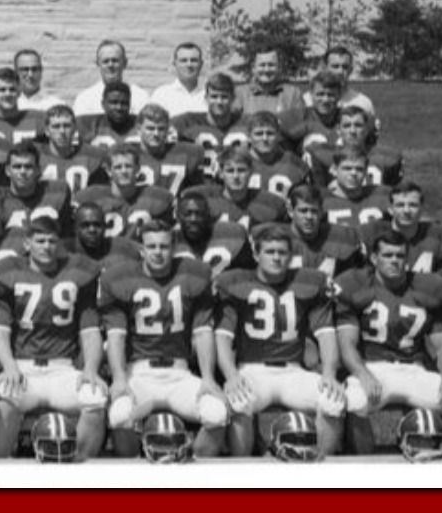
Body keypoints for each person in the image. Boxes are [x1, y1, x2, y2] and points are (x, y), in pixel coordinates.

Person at [334, 233, 442, 455]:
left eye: (400, 255)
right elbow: (347, 344)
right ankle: (365, 469)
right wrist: (363, 375)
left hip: (414, 369)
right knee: (354, 401)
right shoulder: (354, 285)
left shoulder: (429, 288)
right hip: (373, 368)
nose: (394, 260)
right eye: (388, 255)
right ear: (374, 258)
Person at [213, 223, 344, 458]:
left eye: (282, 252)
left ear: (291, 256)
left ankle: (322, 467)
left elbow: (326, 333)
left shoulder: (308, 282)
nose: (276, 257)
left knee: (332, 400)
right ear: (256, 255)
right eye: (270, 252)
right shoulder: (236, 283)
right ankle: (242, 469)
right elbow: (223, 337)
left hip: (293, 371)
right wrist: (231, 375)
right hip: (252, 370)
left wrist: (329, 373)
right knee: (239, 401)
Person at [97, 221, 224, 458]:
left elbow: (202, 331)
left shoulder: (195, 274)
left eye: (164, 246)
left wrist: (208, 378)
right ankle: (131, 472)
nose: (158, 252)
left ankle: (195, 472)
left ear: (174, 247)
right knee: (119, 415)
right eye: (151, 246)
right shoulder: (119, 278)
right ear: (141, 249)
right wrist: (120, 378)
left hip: (179, 373)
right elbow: (116, 335)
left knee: (217, 414)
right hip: (139, 373)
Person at [0, 221, 107, 460]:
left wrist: (91, 368)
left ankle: (81, 468)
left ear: (60, 244)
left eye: (52, 241)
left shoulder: (78, 274)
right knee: (6, 394)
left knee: (95, 397)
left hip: (62, 368)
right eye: (40, 241)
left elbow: (90, 331)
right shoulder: (8, 273)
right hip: (23, 367)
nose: (46, 247)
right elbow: (0, 331)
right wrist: (9, 366)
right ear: (27, 244)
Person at [73, 146, 174, 240]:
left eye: (128, 166)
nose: (124, 171)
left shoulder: (157, 197)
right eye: (118, 167)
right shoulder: (90, 197)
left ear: (137, 168)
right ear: (108, 171)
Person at [367, 181, 442, 276]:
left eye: (413, 205)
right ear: (390, 209)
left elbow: (441, 283)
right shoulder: (371, 235)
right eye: (400, 205)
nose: (406, 211)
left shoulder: (439, 236)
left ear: (422, 208)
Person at [285, 184, 365, 280]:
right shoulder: (278, 237)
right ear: (291, 211)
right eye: (303, 211)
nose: (309, 216)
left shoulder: (341, 237)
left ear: (321, 212)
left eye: (314, 211)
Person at [130, 104, 210, 196]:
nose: (156, 134)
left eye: (161, 129)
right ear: (138, 129)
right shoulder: (129, 154)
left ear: (168, 129)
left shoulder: (187, 153)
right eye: (150, 128)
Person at [203, 148, 289, 230]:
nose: (236, 176)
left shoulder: (272, 204)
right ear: (221, 173)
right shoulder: (206, 203)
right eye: (230, 171)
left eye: (241, 170)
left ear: (251, 171)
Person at [172, 190, 253, 274]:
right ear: (178, 216)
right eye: (187, 214)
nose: (193, 219)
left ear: (208, 215)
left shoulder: (232, 235)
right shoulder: (171, 239)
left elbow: (247, 273)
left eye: (199, 213)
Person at [72, 41, 150, 119]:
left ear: (125, 63)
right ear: (98, 64)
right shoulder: (85, 99)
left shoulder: (140, 97)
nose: (110, 65)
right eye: (105, 61)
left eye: (115, 61)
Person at [35, 104, 103, 192]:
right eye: (56, 126)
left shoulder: (91, 157)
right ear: (47, 131)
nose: (62, 131)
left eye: (67, 126)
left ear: (75, 128)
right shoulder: (36, 155)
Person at [0, 67, 45, 148]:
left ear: (19, 92)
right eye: (2, 90)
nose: (8, 94)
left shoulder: (38, 119)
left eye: (12, 89)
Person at [77, 81, 140, 154]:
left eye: (124, 103)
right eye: (114, 102)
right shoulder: (89, 125)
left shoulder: (140, 125)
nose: (119, 107)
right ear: (103, 104)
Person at [149, 42, 210, 118]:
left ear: (201, 64)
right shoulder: (162, 95)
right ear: (174, 64)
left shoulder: (211, 95)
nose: (189, 65)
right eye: (183, 60)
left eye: (193, 60)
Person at [236, 49, 301, 118]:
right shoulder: (241, 93)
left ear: (279, 68)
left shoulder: (292, 93)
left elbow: (300, 121)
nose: (267, 70)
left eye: (271, 65)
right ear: (253, 68)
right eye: (262, 65)